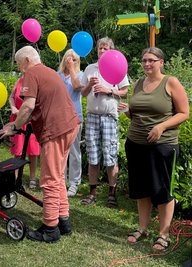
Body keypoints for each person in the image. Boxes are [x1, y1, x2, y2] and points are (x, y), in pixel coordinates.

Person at [0, 46, 80, 243]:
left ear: (27, 60)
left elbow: (27, 106)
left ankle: (50, 228)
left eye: (19, 65)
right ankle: (63, 220)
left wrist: (14, 127)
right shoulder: (49, 71)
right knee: (59, 176)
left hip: (56, 129)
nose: (20, 69)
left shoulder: (32, 73)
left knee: (50, 180)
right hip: (70, 125)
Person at [119, 47, 189, 251]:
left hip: (162, 145)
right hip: (136, 143)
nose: (147, 64)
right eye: (144, 61)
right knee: (141, 187)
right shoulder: (139, 83)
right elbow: (136, 113)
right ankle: (142, 228)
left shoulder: (171, 82)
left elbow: (184, 113)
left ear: (161, 62)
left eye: (151, 60)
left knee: (162, 189)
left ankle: (163, 234)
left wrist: (161, 126)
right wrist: (127, 112)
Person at [80, 37, 130, 208]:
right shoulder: (90, 68)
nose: (102, 51)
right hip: (93, 116)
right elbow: (83, 93)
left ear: (111, 50)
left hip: (109, 116)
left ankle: (112, 194)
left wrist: (109, 90)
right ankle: (92, 193)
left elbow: (124, 91)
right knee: (93, 155)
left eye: (105, 48)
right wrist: (89, 85)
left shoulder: (117, 65)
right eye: (100, 48)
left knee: (110, 156)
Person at [57, 49, 84, 197]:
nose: (70, 60)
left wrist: (73, 69)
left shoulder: (80, 74)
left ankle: (74, 183)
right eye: (69, 57)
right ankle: (61, 180)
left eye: (74, 59)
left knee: (74, 151)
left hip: (74, 117)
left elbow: (76, 87)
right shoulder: (58, 75)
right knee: (60, 151)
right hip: (60, 118)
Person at [8, 76, 40, 189]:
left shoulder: (37, 81)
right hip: (17, 119)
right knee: (18, 150)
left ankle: (32, 178)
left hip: (31, 121)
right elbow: (11, 97)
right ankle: (15, 177)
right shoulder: (19, 80)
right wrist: (13, 108)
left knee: (33, 151)